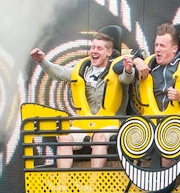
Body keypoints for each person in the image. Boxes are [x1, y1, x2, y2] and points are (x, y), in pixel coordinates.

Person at [29, 31, 134, 168]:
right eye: (93, 47)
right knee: (64, 138)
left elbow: (127, 78)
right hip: (85, 124)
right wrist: (42, 61)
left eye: (99, 48)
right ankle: (63, 184)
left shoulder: (116, 70)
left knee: (99, 138)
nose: (94, 51)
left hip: (110, 123)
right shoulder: (81, 71)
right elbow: (59, 72)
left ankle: (93, 183)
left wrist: (128, 70)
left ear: (108, 52)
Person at [129, 24, 180, 118]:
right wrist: (135, 59)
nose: (158, 49)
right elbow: (117, 67)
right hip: (151, 124)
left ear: (174, 49)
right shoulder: (148, 66)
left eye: (162, 46)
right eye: (156, 45)